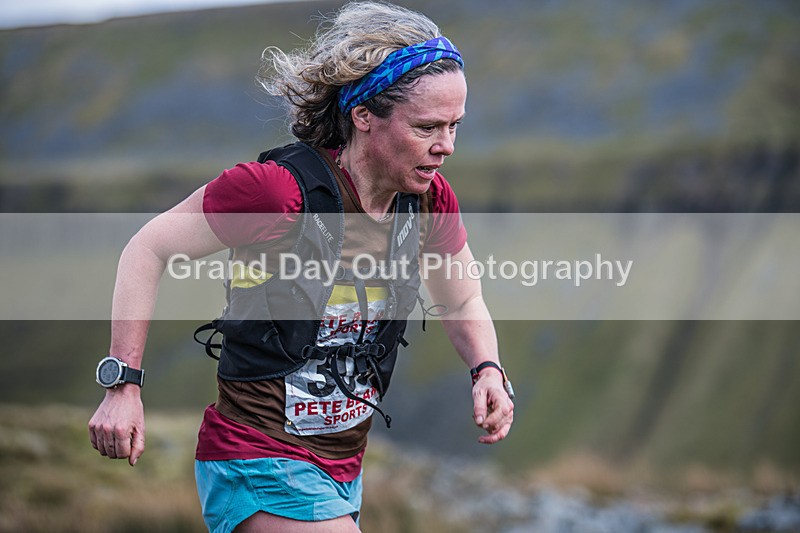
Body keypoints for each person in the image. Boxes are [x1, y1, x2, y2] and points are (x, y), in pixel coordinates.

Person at [88, 2, 514, 531]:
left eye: (455, 126)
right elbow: (147, 248)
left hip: (343, 469)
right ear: (363, 115)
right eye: (427, 127)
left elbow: (463, 297)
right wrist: (122, 385)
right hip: (256, 457)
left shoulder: (427, 200)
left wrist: (487, 369)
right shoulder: (275, 191)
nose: (446, 146)